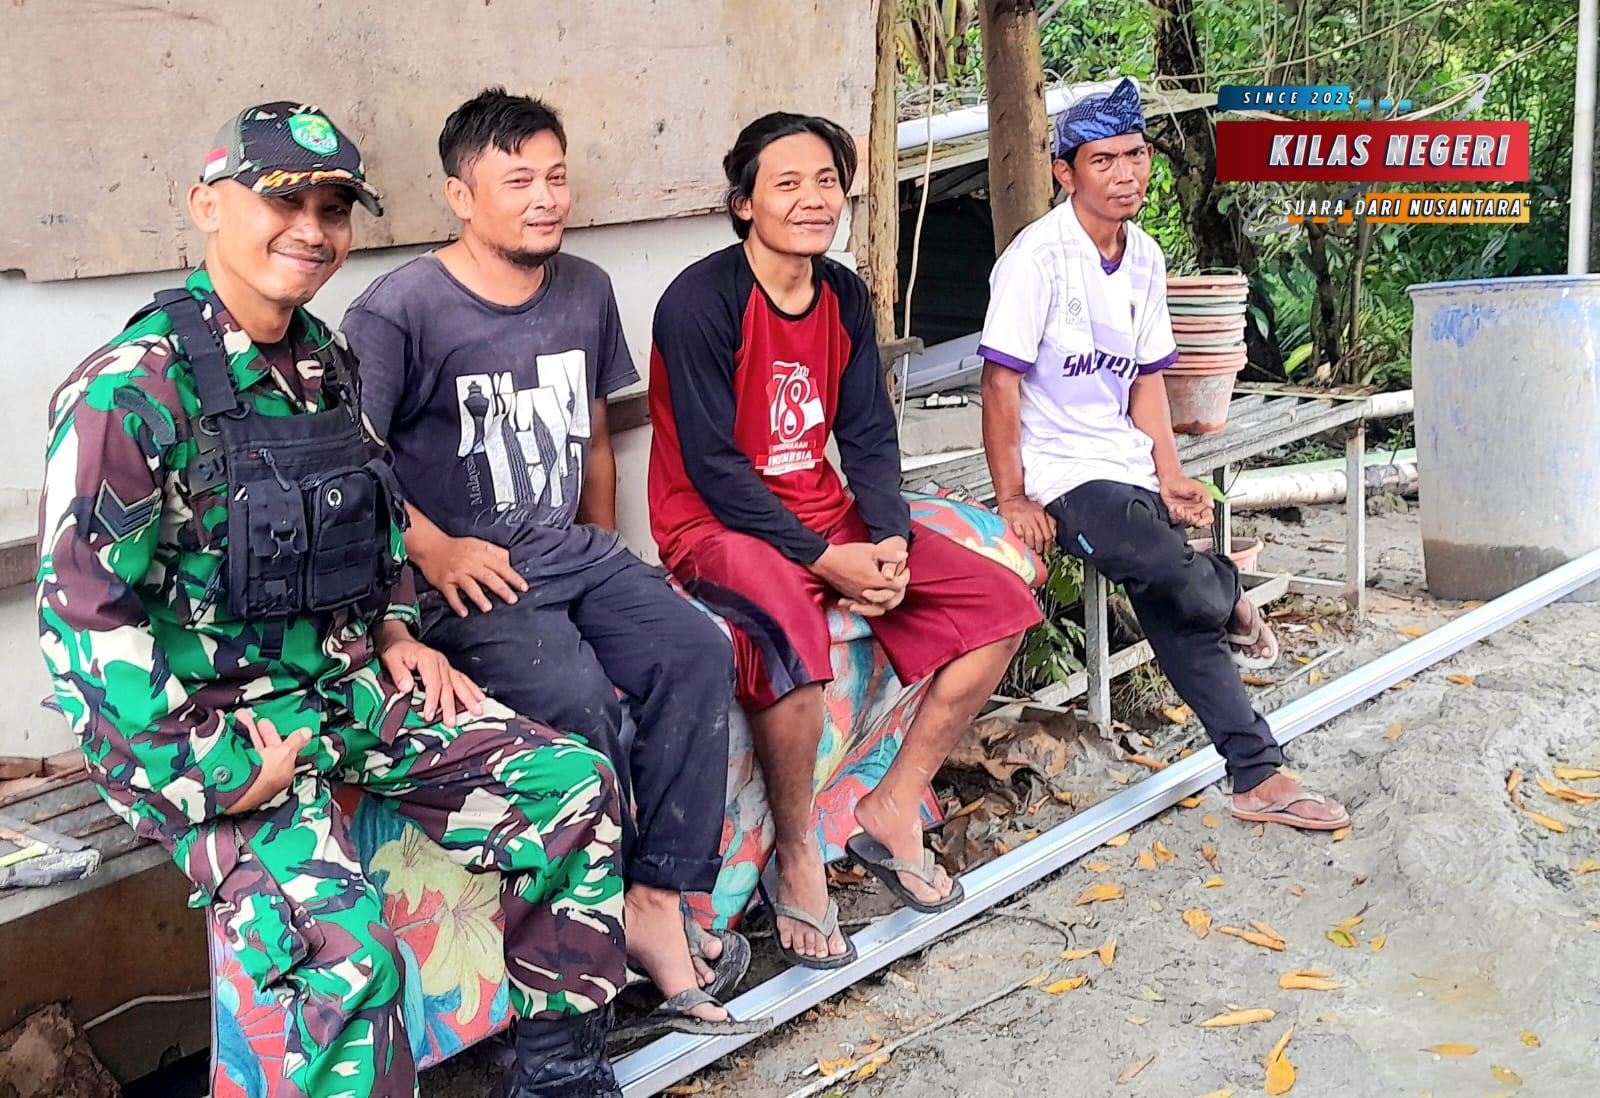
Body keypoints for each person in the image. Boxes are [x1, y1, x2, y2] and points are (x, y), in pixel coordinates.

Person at [36, 102, 627, 1097]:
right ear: (208, 207)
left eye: (333, 207)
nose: (312, 230)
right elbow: (83, 620)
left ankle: (560, 1075)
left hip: (339, 692)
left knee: (571, 787)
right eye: (283, 202)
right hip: (213, 734)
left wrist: (395, 624)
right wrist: (216, 774)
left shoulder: (323, 361)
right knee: (347, 960)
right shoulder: (132, 389)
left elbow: (376, 513)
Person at [341, 88, 752, 1036]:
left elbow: (595, 439)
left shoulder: (586, 289)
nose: (545, 199)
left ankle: (655, 900)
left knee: (696, 649)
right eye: (518, 180)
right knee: (575, 697)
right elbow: (355, 465)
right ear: (461, 196)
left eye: (556, 177)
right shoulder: (400, 311)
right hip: (469, 575)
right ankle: (593, 938)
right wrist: (431, 547)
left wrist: (609, 552)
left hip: (572, 552)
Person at [647, 112, 1042, 969]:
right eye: (787, 183)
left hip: (823, 511)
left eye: (826, 180)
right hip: (712, 525)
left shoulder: (842, 295)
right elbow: (713, 468)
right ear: (744, 203)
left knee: (1001, 603)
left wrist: (890, 541)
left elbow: (867, 432)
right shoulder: (699, 302)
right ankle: (795, 853)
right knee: (791, 635)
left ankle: (893, 802)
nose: (813, 199)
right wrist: (827, 560)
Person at [978, 78, 1350, 832]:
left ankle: (1257, 775)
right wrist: (1013, 496)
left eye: (1136, 156)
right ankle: (1228, 589)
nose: (1126, 174)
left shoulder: (1144, 257)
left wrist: (1171, 472)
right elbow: (998, 384)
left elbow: (1147, 379)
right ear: (1066, 172)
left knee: (1175, 601)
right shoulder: (1036, 259)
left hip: (1127, 463)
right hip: (1061, 473)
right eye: (1104, 160)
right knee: (1164, 567)